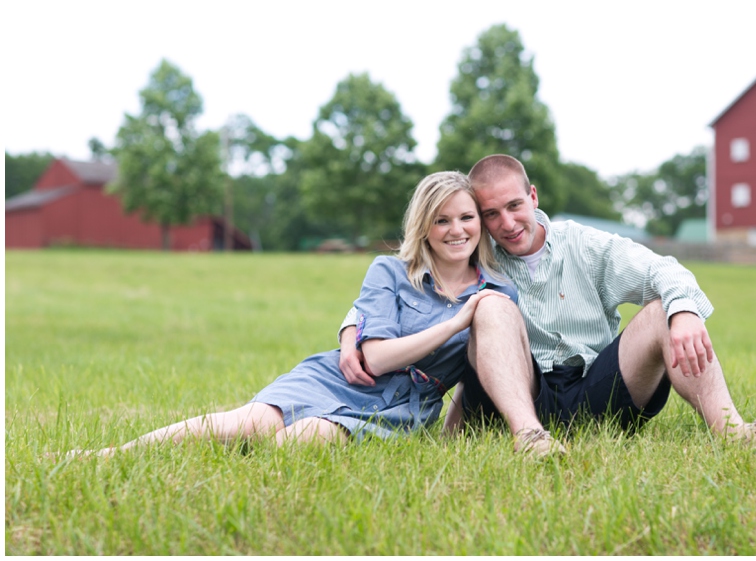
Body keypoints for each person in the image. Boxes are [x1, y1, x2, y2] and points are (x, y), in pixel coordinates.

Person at [339, 154, 756, 457]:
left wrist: (683, 312)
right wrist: (351, 332)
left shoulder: (584, 244)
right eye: (490, 214)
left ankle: (734, 431)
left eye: (514, 206)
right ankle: (530, 438)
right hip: (523, 392)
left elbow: (666, 269)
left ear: (533, 197)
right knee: (491, 307)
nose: (507, 223)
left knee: (664, 308)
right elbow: (406, 276)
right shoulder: (475, 254)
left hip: (598, 386)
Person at [64, 171, 516, 457]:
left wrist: (452, 434)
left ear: (480, 222)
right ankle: (109, 455)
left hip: (400, 409)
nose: (456, 230)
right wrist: (455, 322)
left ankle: (227, 479)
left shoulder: (497, 293)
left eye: (466, 218)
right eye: (441, 220)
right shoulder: (391, 272)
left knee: (296, 444)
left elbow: (481, 372)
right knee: (247, 422)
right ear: (424, 228)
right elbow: (375, 359)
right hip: (337, 378)